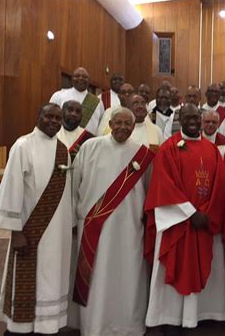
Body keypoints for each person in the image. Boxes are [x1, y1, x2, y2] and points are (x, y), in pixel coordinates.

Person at [144, 104, 225, 333]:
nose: (192, 121)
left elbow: (220, 187)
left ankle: (198, 317)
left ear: (200, 120)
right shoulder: (168, 148)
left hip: (204, 222)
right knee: (173, 267)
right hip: (177, 224)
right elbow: (164, 184)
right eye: (187, 117)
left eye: (195, 117)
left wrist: (207, 213)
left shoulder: (211, 150)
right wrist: (191, 214)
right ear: (179, 119)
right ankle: (169, 318)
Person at [0, 103, 73, 335]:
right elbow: (11, 188)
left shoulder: (62, 149)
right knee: (27, 287)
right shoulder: (23, 145)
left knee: (51, 283)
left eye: (58, 117)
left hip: (56, 235)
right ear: (38, 117)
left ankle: (46, 327)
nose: (54, 121)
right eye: (49, 116)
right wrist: (15, 232)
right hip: (30, 233)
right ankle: (20, 328)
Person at [72, 107, 155, 336]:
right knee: (96, 277)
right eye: (118, 123)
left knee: (128, 277)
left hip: (129, 228)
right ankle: (94, 326)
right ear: (109, 123)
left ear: (134, 125)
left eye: (127, 124)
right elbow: (73, 186)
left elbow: (149, 191)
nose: (122, 128)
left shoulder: (143, 153)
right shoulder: (90, 147)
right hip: (93, 227)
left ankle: (128, 325)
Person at [50, 67, 103, 135]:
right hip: (63, 140)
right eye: (77, 76)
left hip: (88, 141)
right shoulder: (59, 95)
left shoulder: (98, 102)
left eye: (84, 77)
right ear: (72, 79)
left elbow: (100, 124)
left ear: (89, 80)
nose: (81, 78)